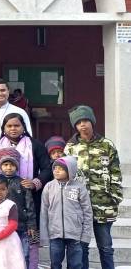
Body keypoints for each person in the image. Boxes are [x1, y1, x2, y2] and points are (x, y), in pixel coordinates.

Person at [64, 105, 122, 269]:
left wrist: (115, 196)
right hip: (79, 206)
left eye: (86, 120)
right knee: (82, 247)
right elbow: (65, 175)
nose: (83, 125)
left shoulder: (107, 145)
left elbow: (115, 172)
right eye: (79, 122)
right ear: (75, 126)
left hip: (104, 205)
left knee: (105, 247)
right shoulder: (70, 147)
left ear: (92, 121)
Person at [40, 156, 92, 269]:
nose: (56, 171)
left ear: (70, 171)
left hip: (75, 234)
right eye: (55, 168)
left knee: (75, 264)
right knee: (55, 264)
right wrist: (44, 235)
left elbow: (87, 212)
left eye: (61, 169)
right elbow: (44, 212)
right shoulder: (49, 187)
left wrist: (86, 236)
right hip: (55, 234)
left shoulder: (79, 188)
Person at [0, 147, 37, 267]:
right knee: (4, 254)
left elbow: (30, 205)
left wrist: (31, 225)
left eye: (12, 165)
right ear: (0, 166)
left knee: (23, 254)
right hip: (2, 225)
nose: (9, 167)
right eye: (5, 164)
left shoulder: (22, 183)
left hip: (21, 225)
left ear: (17, 167)